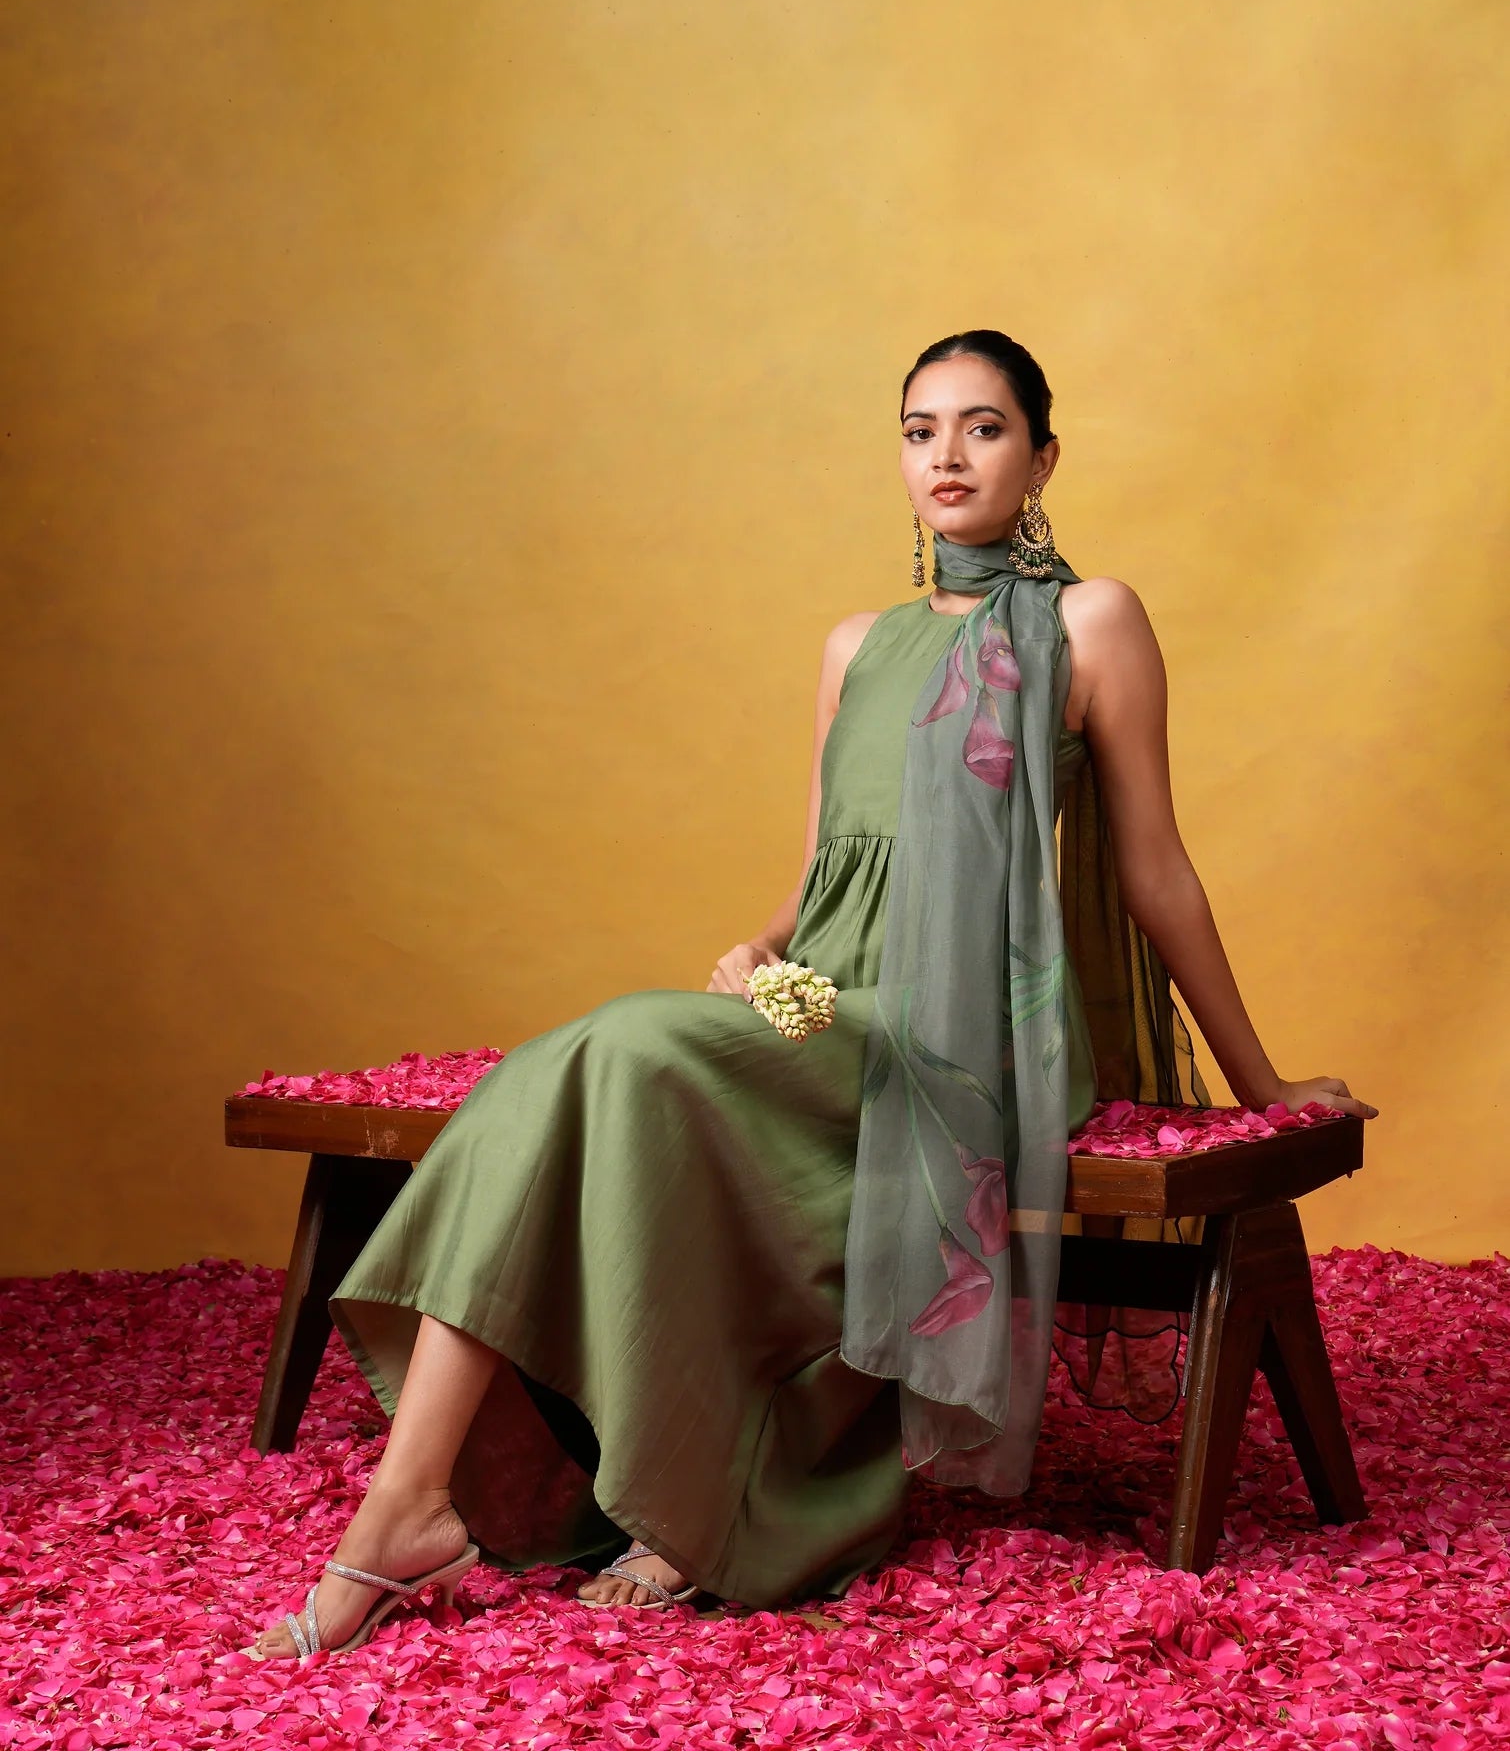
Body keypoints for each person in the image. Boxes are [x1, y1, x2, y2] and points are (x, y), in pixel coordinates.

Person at [245, 330, 1377, 1659]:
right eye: (919, 430)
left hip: (969, 1031)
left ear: (1041, 458)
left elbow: (1155, 871)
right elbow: (822, 870)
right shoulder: (856, 645)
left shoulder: (1092, 622)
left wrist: (1260, 1082)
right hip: (824, 1003)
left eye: (983, 428)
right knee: (585, 1070)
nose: (947, 456)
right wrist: (755, 951)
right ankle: (419, 1502)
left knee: (619, 1046)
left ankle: (439, 1510)